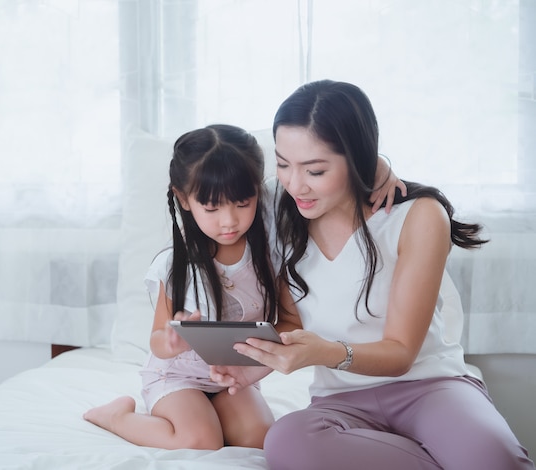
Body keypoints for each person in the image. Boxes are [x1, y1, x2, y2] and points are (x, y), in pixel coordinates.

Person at [211, 80, 535, 469]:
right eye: (282, 164)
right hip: (339, 403)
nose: (295, 184)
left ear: (356, 158)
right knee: (287, 441)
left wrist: (325, 352)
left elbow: (400, 353)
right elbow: (293, 320)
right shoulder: (278, 208)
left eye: (314, 170)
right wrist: (259, 359)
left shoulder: (417, 216)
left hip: (429, 387)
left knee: (496, 459)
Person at [83, 123, 402, 451]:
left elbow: (289, 322)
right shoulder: (175, 264)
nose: (229, 221)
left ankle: (214, 410)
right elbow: (156, 341)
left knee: (258, 439)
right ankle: (116, 417)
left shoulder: (268, 249)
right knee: (201, 440)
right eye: (212, 208)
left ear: (257, 193)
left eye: (242, 203)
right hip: (177, 376)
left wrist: (380, 167)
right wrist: (172, 341)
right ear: (184, 199)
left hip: (234, 375)